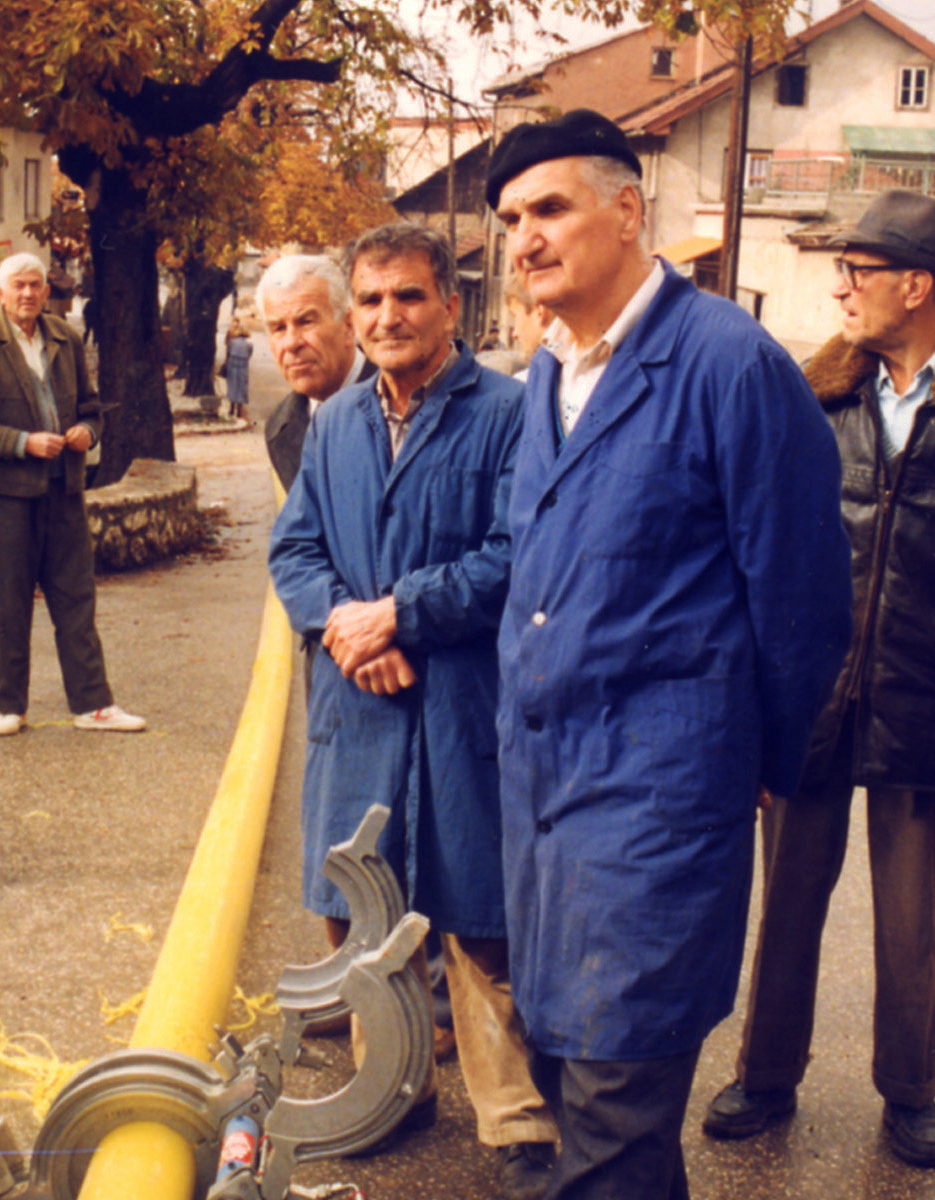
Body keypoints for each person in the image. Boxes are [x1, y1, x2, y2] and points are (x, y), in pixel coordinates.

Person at [488, 109, 852, 1200]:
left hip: (655, 809)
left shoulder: (731, 367)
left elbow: (803, 608)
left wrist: (736, 765)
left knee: (614, 1109)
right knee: (564, 1072)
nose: (525, 238)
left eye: (549, 208)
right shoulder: (547, 378)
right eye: (511, 217)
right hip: (546, 808)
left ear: (627, 209)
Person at [702, 190, 935, 1167]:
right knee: (785, 897)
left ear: (916, 287)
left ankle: (910, 1092)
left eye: (857, 273)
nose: (839, 289)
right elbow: (765, 544)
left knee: (917, 918)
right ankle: (765, 1074)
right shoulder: (809, 392)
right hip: (813, 691)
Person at [269, 223, 557, 1200]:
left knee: (482, 927)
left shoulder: (514, 414)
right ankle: (390, 1092)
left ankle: (517, 1125)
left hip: (464, 707)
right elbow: (294, 553)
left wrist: (402, 615)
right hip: (361, 711)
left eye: (408, 298)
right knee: (365, 917)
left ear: (450, 307)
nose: (387, 317)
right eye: (372, 301)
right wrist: (346, 626)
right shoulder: (336, 422)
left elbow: (521, 555)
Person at [0, 252, 144, 738]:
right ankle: (10, 706)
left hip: (64, 490)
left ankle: (93, 705)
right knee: (12, 604)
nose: (29, 294)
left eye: (35, 285)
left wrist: (86, 433)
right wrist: (21, 443)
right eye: (18, 286)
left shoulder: (65, 337)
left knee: (77, 598)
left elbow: (93, 409)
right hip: (7, 494)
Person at [258, 254, 369, 494]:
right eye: (278, 328)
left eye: (306, 321)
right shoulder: (280, 428)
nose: (291, 343)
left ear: (348, 325)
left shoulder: (403, 403)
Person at [224, 317, 253, 420]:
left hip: (232, 363)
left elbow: (228, 352)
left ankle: (231, 408)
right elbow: (249, 355)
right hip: (243, 365)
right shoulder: (249, 344)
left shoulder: (232, 342)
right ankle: (239, 411)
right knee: (241, 386)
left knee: (232, 385)